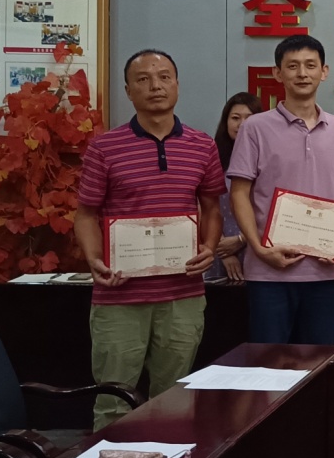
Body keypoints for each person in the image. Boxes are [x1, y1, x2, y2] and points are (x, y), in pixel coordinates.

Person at [74, 49, 224, 429]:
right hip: (119, 294)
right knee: (113, 400)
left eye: (164, 77)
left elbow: (212, 208)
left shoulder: (202, 145)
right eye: (143, 79)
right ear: (128, 90)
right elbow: (86, 214)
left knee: (172, 399)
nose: (155, 86)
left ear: (177, 85)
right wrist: (94, 259)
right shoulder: (105, 147)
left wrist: (209, 247)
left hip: (182, 294)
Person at [228, 35, 334, 345]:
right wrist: (259, 248)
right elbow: (239, 192)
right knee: (267, 360)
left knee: (318, 359)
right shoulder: (255, 127)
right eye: (292, 66)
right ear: (277, 73)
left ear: (324, 72)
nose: (302, 73)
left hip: (326, 272)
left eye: (310, 65)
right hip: (269, 271)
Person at [206, 92, 263, 282]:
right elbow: (203, 206)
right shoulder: (212, 159)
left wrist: (241, 240)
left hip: (257, 248)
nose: (242, 124)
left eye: (249, 118)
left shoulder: (270, 159)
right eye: (235, 118)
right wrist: (223, 250)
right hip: (218, 248)